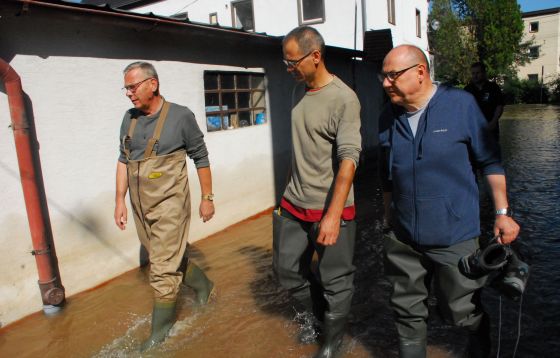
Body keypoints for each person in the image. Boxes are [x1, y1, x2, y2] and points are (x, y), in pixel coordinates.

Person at [378, 45, 520, 358]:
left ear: (420, 72)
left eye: (392, 75)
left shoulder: (461, 105)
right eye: (383, 76)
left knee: (462, 311)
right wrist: (388, 215)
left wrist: (502, 213)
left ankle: (479, 349)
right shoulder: (387, 115)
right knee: (406, 313)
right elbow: (387, 174)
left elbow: (491, 162)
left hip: (453, 236)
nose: (385, 83)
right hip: (402, 238)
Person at [272, 26, 362, 358]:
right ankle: (319, 321)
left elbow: (349, 159)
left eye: (292, 62)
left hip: (330, 209)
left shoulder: (344, 98)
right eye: (285, 62)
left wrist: (333, 215)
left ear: (315, 56)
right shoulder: (298, 92)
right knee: (286, 272)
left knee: (336, 281)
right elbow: (300, 148)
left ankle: (332, 342)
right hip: (293, 204)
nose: (288, 68)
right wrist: (282, 196)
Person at [114, 62, 216, 351]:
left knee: (160, 270)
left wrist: (207, 198)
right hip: (139, 206)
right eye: (126, 88)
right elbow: (123, 161)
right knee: (166, 258)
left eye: (132, 87)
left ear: (152, 84)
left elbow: (201, 157)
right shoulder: (129, 119)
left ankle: (159, 336)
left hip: (170, 204)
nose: (128, 94)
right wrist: (119, 200)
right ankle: (204, 286)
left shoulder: (181, 117)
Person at [464, 62, 504, 141]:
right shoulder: (467, 90)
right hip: (473, 130)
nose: (475, 76)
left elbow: (499, 106)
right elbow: (463, 110)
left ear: (484, 73)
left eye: (477, 73)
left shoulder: (493, 87)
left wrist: (493, 122)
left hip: (491, 127)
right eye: (473, 73)